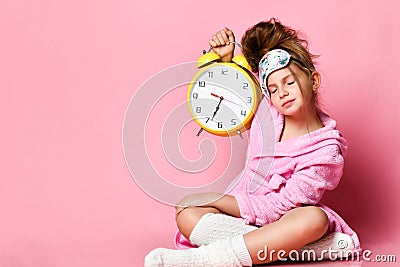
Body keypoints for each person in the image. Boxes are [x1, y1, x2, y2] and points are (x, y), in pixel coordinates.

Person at [144, 18, 361, 266]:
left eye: (289, 82)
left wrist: (216, 199)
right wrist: (226, 60)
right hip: (245, 212)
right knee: (188, 214)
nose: (283, 93)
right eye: (273, 88)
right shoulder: (267, 113)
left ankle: (207, 259)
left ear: (313, 81)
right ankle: (296, 249)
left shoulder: (326, 151)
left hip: (285, 219)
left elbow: (280, 206)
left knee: (313, 219)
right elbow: (230, 99)